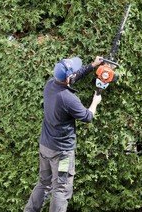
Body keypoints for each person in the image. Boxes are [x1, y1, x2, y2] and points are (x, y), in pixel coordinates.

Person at [24, 56, 103, 212]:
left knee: (44, 183)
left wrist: (92, 65)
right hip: (62, 154)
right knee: (61, 188)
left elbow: (71, 78)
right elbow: (88, 117)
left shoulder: (50, 85)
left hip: (45, 147)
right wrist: (95, 101)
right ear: (67, 77)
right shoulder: (69, 99)